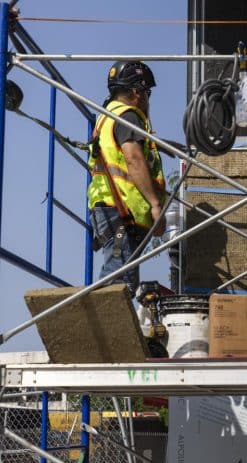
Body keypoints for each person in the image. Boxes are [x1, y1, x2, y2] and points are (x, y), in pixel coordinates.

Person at [88, 60, 166, 293]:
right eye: (147, 92)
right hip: (120, 208)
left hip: (110, 205)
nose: (147, 100)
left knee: (122, 277)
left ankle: (98, 326)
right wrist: (155, 204)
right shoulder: (128, 117)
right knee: (118, 282)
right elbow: (132, 159)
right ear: (136, 92)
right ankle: (93, 328)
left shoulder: (107, 116)